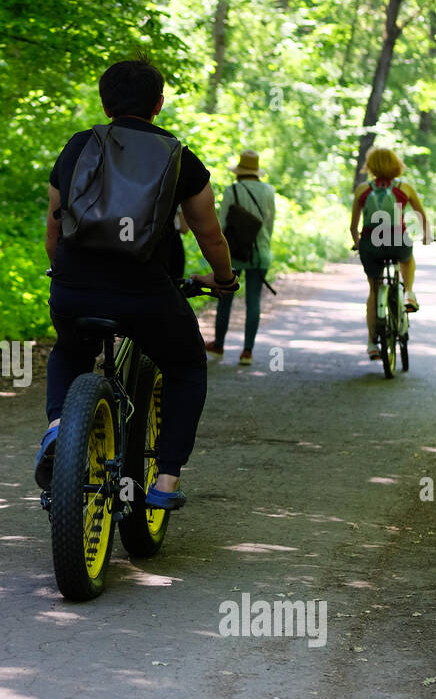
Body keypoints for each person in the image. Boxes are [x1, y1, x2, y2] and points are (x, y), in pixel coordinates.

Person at [34, 58, 238, 510]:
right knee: (185, 366)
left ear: (105, 104)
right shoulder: (180, 158)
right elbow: (210, 235)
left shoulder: (77, 147)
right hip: (145, 294)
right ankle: (164, 484)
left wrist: (64, 274)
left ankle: (57, 428)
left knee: (70, 350)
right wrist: (223, 280)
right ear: (158, 105)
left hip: (74, 287)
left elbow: (53, 229)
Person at [350, 147, 428, 360]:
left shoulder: (362, 190)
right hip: (397, 241)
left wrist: (358, 244)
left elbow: (353, 227)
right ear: (396, 164)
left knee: (374, 291)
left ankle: (372, 343)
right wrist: (426, 235)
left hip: (370, 246)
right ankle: (409, 293)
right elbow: (421, 214)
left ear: (371, 166)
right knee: (407, 257)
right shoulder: (405, 187)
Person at [209, 150, 275, 366]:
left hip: (233, 253)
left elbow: (222, 224)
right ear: (256, 171)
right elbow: (269, 223)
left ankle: (218, 345)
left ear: (239, 171)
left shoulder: (232, 190)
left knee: (225, 297)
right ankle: (247, 352)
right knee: (253, 300)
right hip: (259, 252)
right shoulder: (268, 191)